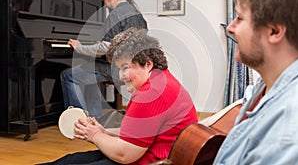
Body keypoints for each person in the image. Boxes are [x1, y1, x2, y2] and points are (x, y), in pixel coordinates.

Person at [40, 27, 198, 165]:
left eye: (125, 67)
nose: (121, 76)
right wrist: (103, 131)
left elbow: (124, 155)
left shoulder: (150, 94)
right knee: (69, 160)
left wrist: (94, 135)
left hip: (148, 161)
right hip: (148, 154)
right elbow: (136, 132)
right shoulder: (161, 78)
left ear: (148, 64)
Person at [213, 0, 298, 164]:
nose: (231, 28)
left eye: (240, 18)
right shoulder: (266, 86)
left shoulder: (289, 130)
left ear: (275, 31)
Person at [60, 0, 148, 118]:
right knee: (90, 67)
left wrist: (80, 47)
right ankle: (95, 115)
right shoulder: (137, 14)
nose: (105, 6)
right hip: (135, 67)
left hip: (117, 70)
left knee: (68, 76)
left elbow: (105, 48)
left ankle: (79, 120)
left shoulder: (116, 14)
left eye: (104, 1)